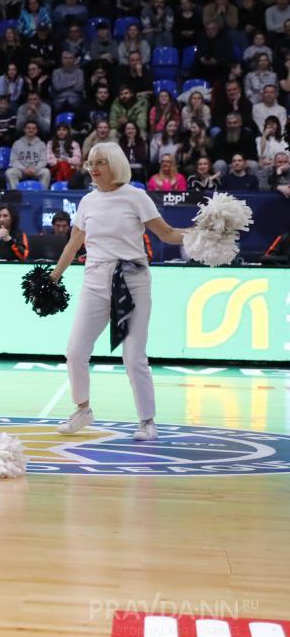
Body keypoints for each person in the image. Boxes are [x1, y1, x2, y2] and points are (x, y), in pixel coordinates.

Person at [50, 143, 187, 441]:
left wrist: (202, 233)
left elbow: (167, 233)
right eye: (90, 163)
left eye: (101, 162)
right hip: (95, 279)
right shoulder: (87, 201)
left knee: (133, 355)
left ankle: (147, 421)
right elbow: (74, 243)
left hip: (133, 280)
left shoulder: (136, 197)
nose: (94, 168)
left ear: (116, 164)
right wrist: (55, 275)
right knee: (75, 351)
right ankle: (83, 409)